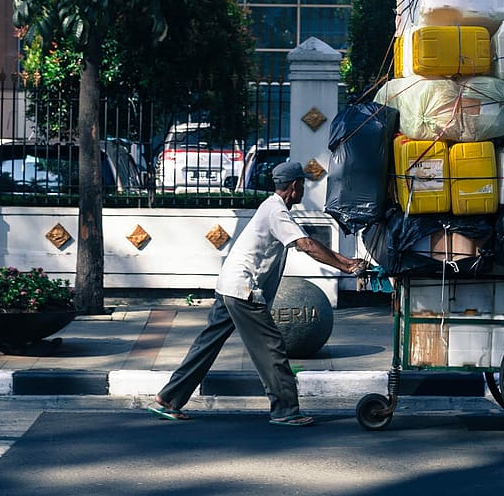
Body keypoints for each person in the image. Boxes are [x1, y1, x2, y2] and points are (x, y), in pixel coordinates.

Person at [148, 161, 368, 426]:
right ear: (296, 185)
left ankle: (168, 398)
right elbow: (307, 245)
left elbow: (309, 242)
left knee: (206, 346)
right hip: (243, 289)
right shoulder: (276, 211)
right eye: (304, 184)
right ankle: (285, 410)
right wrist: (348, 266)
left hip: (228, 285)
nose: (304, 189)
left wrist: (348, 263)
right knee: (271, 348)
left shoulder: (273, 208)